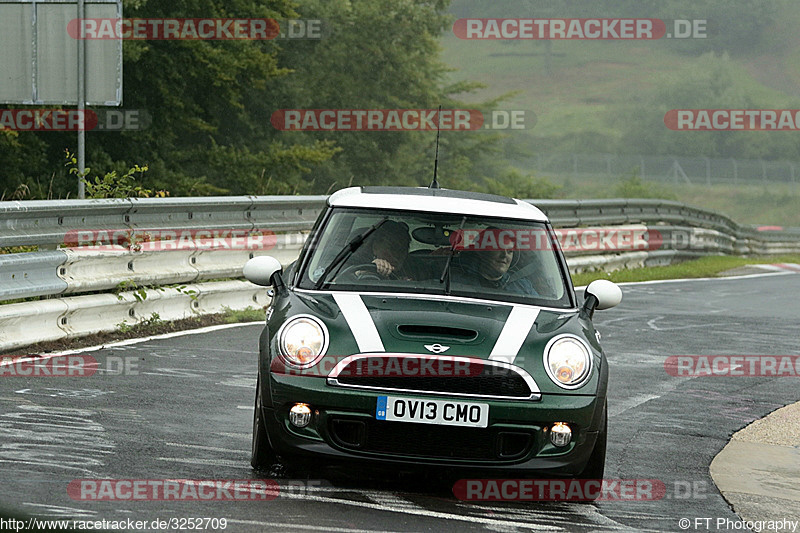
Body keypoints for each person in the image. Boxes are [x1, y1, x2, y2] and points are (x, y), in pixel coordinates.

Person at [453, 234, 537, 296]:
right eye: (498, 248)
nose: (504, 255)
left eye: (509, 251)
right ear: (482, 251)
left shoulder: (523, 287)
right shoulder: (455, 281)